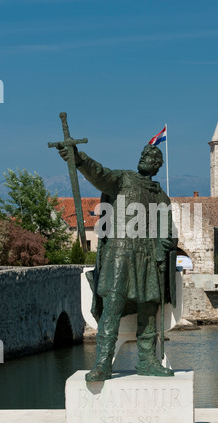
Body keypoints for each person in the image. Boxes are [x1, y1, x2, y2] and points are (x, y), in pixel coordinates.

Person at [58, 143, 177, 381]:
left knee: (148, 308)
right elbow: (100, 174)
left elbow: (166, 234)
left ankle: (147, 360)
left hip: (148, 257)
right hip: (120, 252)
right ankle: (102, 363)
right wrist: (79, 159)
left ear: (157, 166)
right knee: (112, 305)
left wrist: (162, 251)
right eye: (144, 155)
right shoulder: (123, 180)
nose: (147, 159)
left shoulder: (161, 196)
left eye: (152, 158)